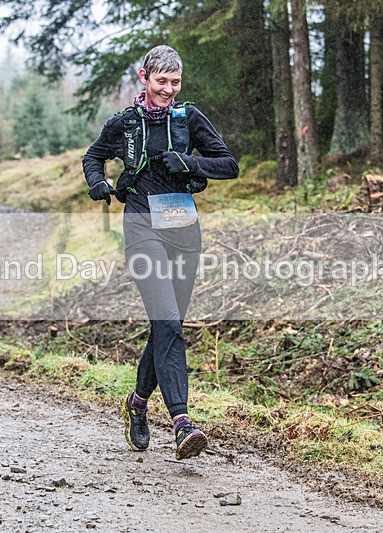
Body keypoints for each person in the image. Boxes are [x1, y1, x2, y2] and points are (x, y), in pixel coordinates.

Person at [82, 45, 239, 460]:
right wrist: (97, 184)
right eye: (161, 81)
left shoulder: (188, 118)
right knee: (168, 322)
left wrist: (189, 163)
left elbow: (229, 164)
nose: (168, 90)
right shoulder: (124, 123)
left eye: (175, 82)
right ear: (144, 78)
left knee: (166, 327)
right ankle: (182, 423)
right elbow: (93, 157)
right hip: (140, 226)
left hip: (183, 229)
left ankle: (136, 402)